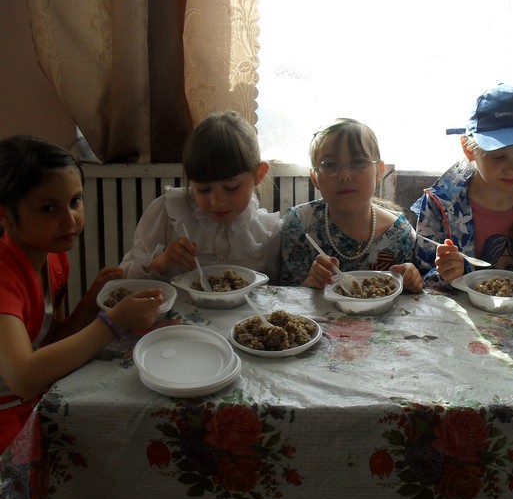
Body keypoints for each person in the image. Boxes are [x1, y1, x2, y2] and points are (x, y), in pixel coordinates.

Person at [0, 136, 163, 453]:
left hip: (31, 400)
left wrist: (90, 303)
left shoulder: (53, 258)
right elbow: (24, 377)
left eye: (75, 201)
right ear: (4, 214)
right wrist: (113, 323)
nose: (70, 219)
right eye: (49, 209)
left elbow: (51, 342)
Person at [411, 83, 513, 288]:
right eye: (499, 156)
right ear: (468, 149)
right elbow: (419, 280)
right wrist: (445, 275)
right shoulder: (440, 204)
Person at [119, 111, 281, 283]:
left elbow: (279, 291)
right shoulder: (168, 215)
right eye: (203, 189)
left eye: (231, 188)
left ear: (259, 174)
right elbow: (122, 276)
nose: (216, 202)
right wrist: (160, 263)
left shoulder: (268, 234)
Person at [280, 118, 422, 292]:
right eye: (329, 165)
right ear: (314, 177)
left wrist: (412, 281)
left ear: (379, 171)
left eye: (358, 162)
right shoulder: (299, 224)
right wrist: (309, 285)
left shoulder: (399, 234)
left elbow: (411, 298)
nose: (344, 176)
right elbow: (285, 297)